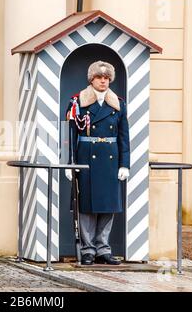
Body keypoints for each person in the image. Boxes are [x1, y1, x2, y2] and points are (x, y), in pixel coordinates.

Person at [65, 61, 130, 265]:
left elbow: (123, 137)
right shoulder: (78, 102)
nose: (103, 81)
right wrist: (70, 162)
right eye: (99, 77)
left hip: (110, 160)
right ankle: (88, 250)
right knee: (86, 207)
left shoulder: (118, 104)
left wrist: (124, 164)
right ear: (91, 79)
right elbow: (69, 136)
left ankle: (103, 249)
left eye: (106, 78)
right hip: (87, 159)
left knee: (107, 206)